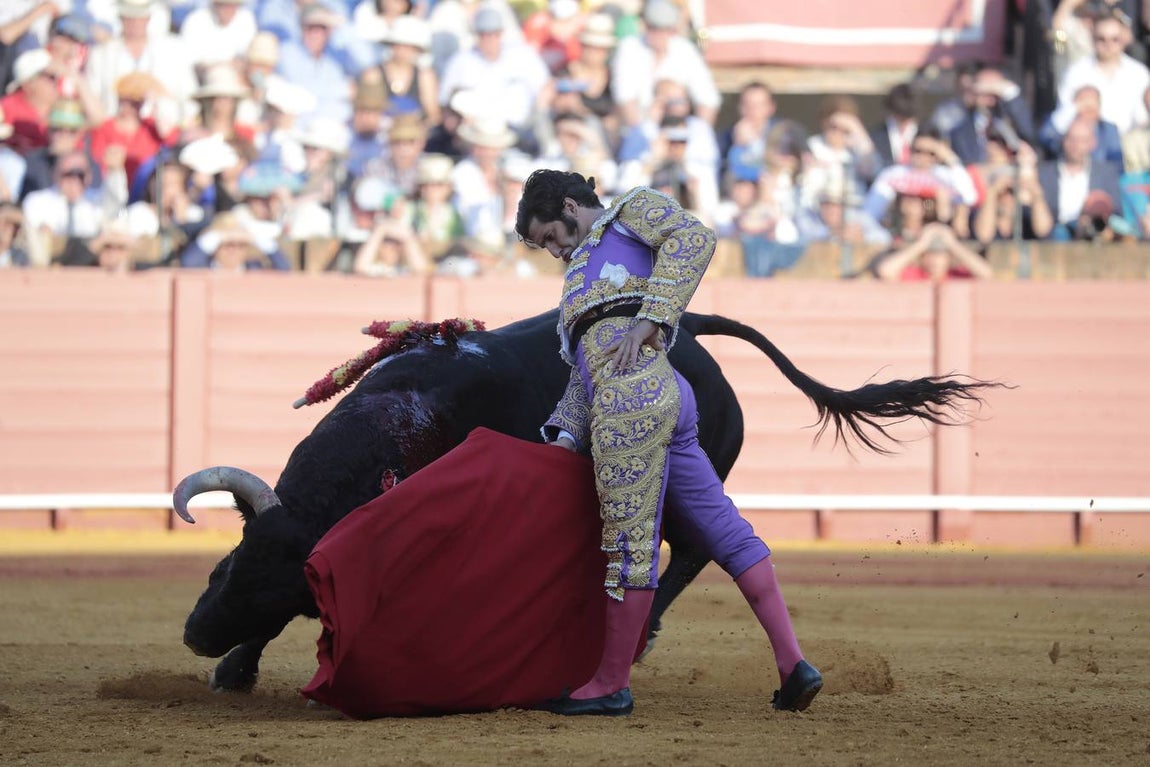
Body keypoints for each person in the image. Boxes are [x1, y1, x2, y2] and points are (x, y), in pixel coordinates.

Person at [514, 169, 823, 716]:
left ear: (568, 205)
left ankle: (611, 683)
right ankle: (793, 665)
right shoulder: (578, 281)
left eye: (552, 237)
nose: (556, 251)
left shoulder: (628, 210)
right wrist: (563, 435)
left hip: (634, 399)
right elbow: (589, 373)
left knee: (631, 540)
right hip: (653, 392)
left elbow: (695, 238)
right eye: (544, 248)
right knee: (725, 529)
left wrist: (653, 318)